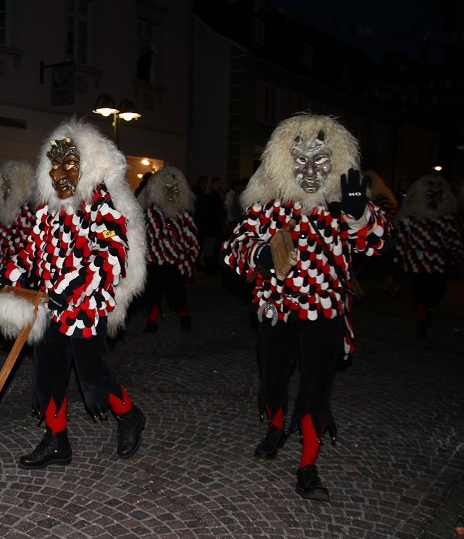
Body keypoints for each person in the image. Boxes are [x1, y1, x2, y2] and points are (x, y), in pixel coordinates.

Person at [223, 114, 391, 502]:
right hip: (276, 308)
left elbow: (377, 245)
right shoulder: (269, 204)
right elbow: (235, 247)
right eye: (301, 160)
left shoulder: (342, 205)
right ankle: (276, 427)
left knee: (317, 388)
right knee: (273, 378)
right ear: (284, 161)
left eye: (320, 160)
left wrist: (359, 215)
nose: (311, 170)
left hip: (325, 310)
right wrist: (259, 255)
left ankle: (308, 464)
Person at [0, 117, 148, 469]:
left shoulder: (100, 205)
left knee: (95, 376)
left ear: (84, 167)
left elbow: (110, 257)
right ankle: (57, 439)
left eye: (70, 164)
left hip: (87, 306)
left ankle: (129, 415)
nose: (61, 172)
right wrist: (5, 276)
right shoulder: (47, 211)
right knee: (49, 371)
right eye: (55, 163)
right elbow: (30, 251)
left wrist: (71, 288)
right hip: (51, 305)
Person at [393, 173, 464, 338]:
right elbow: (402, 243)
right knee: (420, 295)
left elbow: (454, 243)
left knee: (435, 293)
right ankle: (422, 322)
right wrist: (396, 265)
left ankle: (426, 313)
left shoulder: (446, 220)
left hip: (436, 264)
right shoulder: (409, 220)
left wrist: (458, 260)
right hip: (416, 263)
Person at [137, 167, 199, 333]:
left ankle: (181, 316)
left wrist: (188, 253)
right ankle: (154, 319)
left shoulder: (179, 211)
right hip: (157, 256)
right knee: (155, 288)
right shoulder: (152, 210)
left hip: (171, 255)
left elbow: (189, 233)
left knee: (174, 287)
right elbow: (145, 231)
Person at [0, 159, 36, 279]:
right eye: (3, 181)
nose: (4, 187)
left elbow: (26, 245)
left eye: (9, 183)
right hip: (5, 266)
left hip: (20, 268)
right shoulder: (4, 210)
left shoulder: (27, 212)